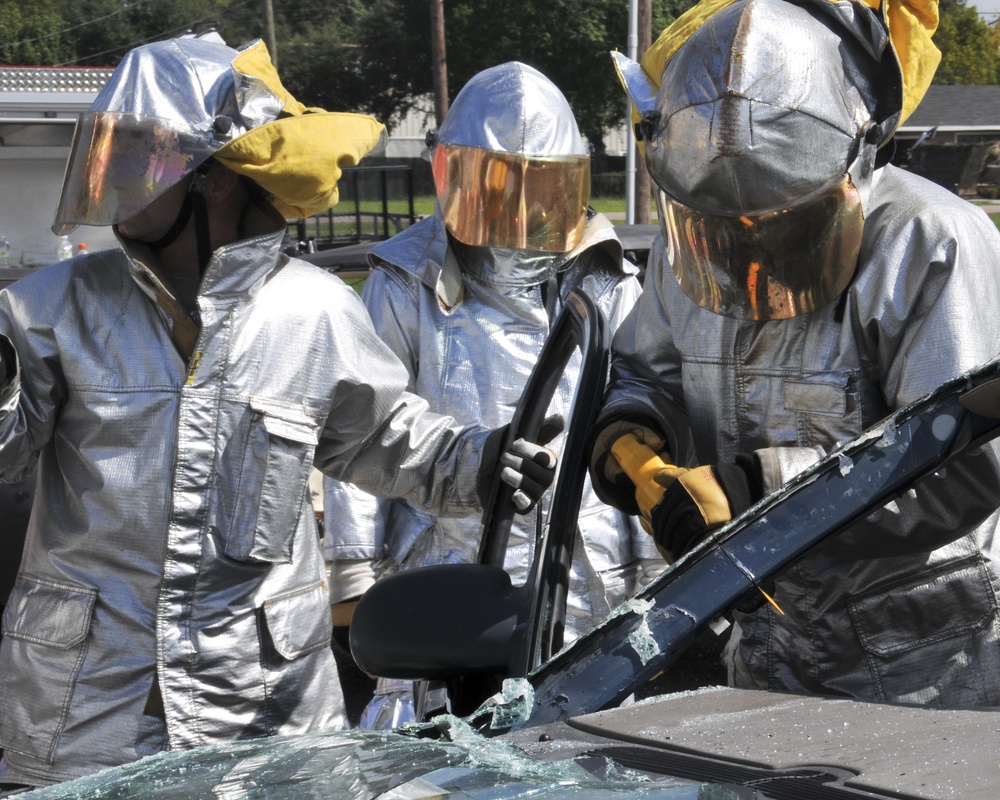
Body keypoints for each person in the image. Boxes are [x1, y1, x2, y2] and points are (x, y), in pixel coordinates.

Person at [0, 35, 556, 790]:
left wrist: (482, 463)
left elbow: (390, 441)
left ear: (214, 179)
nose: (117, 179)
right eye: (113, 153)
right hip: (88, 719)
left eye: (142, 156)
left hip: (265, 720)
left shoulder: (314, 313)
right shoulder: (47, 311)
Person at [590, 0, 1000, 707]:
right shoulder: (688, 242)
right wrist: (632, 438)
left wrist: (761, 493)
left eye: (775, 223)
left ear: (855, 158)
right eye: (718, 227)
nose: (743, 248)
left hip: (927, 669)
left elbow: (966, 465)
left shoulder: (930, 242)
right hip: (767, 650)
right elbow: (644, 367)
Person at [324, 62, 658, 727]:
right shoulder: (406, 280)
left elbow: (641, 402)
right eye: (501, 187)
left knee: (588, 742)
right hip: (451, 562)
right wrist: (355, 579)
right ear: (457, 177)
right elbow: (365, 427)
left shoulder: (606, 275)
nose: (523, 210)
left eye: (544, 187)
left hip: (584, 565)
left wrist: (649, 561)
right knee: (453, 749)